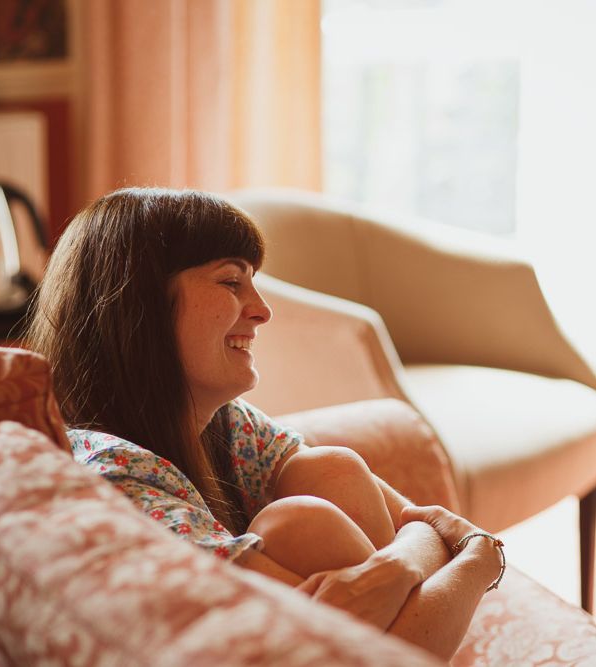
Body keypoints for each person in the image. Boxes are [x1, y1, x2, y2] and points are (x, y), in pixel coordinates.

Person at [25, 187, 505, 661]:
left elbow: (419, 525)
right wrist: (476, 560)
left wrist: (398, 564)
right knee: (298, 525)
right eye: (231, 282)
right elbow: (436, 540)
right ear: (141, 303)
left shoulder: (225, 424)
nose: (262, 309)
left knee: (332, 468)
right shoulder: (112, 473)